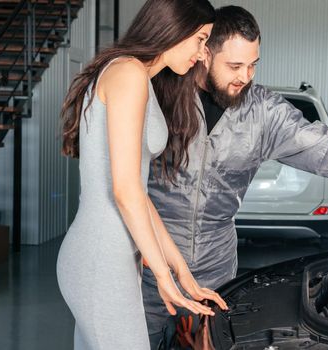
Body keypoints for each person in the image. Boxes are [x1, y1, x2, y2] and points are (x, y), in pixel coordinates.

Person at [143, 5, 328, 348]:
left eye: (253, 65)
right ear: (204, 53)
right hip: (148, 260)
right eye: (235, 66)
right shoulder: (161, 93)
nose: (245, 76)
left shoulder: (263, 111)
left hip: (214, 263)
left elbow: (321, 145)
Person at [56, 1, 228, 348]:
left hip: (112, 258)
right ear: (174, 26)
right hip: (100, 258)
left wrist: (181, 272)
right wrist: (164, 278)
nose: (201, 52)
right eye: (200, 38)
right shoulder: (128, 73)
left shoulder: (137, 77)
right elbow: (125, 192)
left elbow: (138, 195)